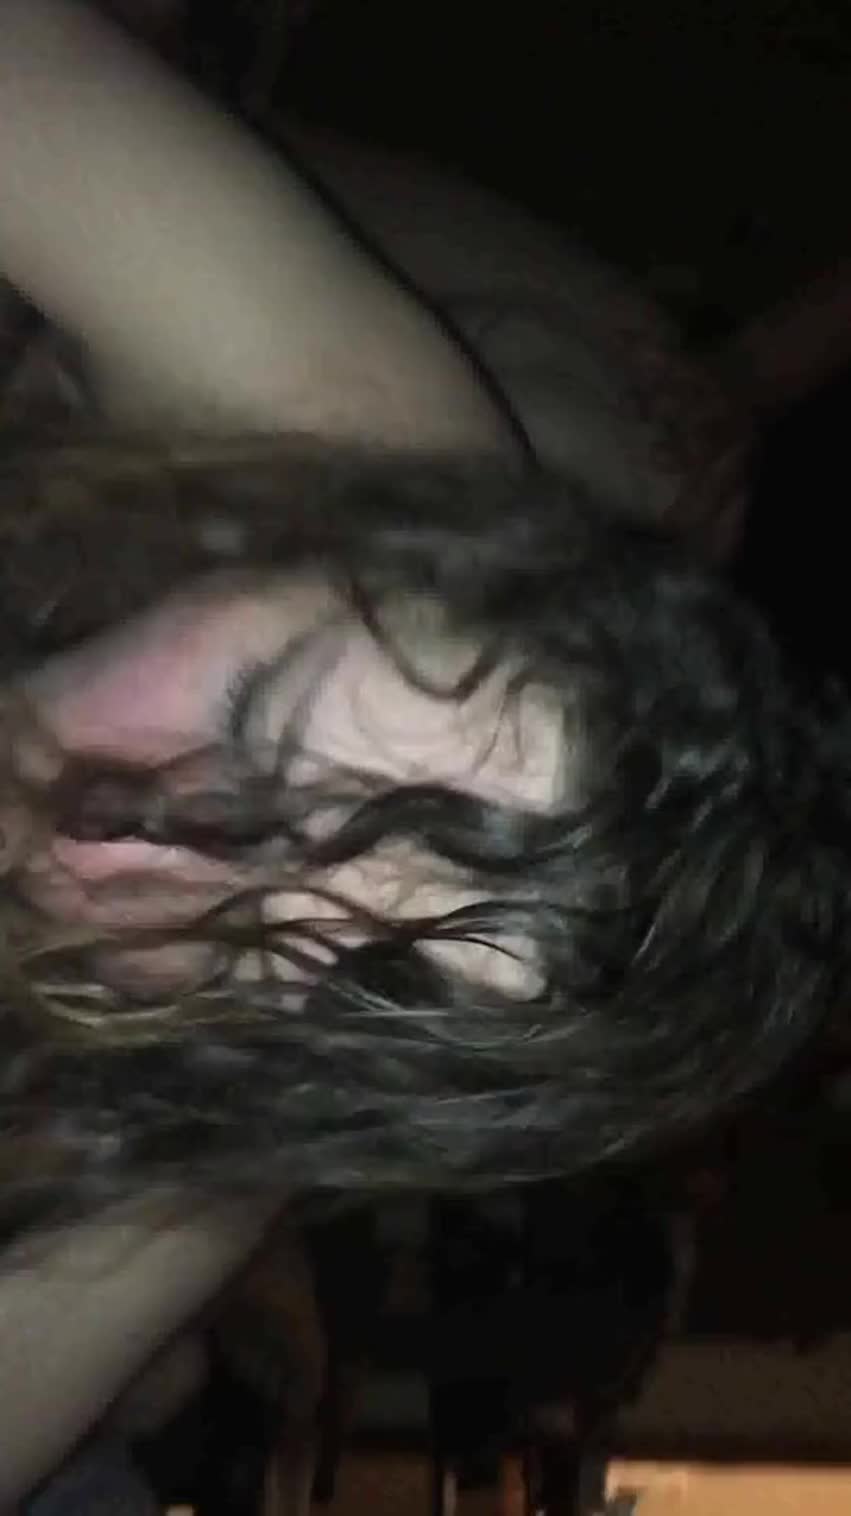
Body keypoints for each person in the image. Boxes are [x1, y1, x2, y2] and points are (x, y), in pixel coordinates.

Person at [1, 2, 849, 1505]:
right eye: (261, 720)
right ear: (346, 550)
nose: (129, 851)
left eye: (316, 966)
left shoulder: (231, 1112)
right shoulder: (346, 427)